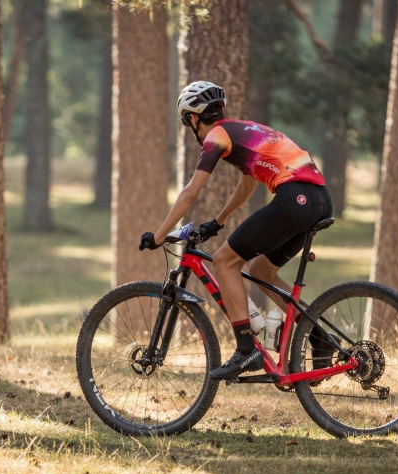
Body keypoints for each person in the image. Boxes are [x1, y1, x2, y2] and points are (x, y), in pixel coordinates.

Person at [139, 81, 333, 380]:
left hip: (294, 199)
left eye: (187, 121)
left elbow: (191, 193)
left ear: (193, 118)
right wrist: (219, 220)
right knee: (262, 271)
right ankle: (321, 338)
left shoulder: (216, 137)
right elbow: (248, 183)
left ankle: (246, 350)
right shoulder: (245, 130)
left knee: (225, 261)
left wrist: (160, 235)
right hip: (319, 200)